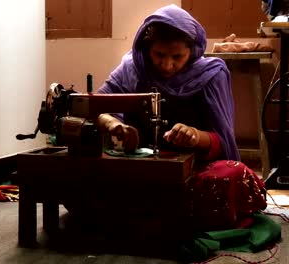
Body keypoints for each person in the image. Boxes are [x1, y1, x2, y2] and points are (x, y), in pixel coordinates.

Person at [65, 4, 267, 236]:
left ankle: (134, 219)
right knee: (76, 175)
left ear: (192, 51)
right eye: (159, 55)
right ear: (147, 46)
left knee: (230, 175)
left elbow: (223, 142)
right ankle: (167, 218)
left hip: (195, 169)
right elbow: (99, 107)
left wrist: (194, 136)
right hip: (140, 166)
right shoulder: (132, 68)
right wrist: (115, 125)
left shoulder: (211, 74)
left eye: (177, 57)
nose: (167, 65)